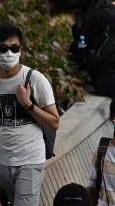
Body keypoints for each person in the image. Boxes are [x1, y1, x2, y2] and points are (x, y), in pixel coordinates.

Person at [0, 23, 60, 205]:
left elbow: (54, 122)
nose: (8, 53)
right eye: (2, 48)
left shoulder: (33, 79)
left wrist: (27, 103)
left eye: (14, 48)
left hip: (29, 159)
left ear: (21, 50)